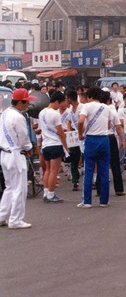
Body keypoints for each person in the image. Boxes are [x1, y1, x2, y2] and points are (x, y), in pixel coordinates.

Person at [0, 89, 36, 229]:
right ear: (20, 102)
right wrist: (28, 149)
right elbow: (23, 137)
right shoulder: (18, 117)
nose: (28, 104)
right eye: (27, 102)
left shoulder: (4, 114)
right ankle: (15, 220)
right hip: (15, 153)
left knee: (9, 187)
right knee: (19, 189)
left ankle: (2, 215)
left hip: (4, 153)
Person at [77, 86, 117, 208]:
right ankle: (104, 201)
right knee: (104, 171)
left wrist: (80, 134)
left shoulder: (87, 106)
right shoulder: (107, 107)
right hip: (104, 139)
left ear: (89, 96)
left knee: (89, 170)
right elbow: (109, 123)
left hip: (91, 139)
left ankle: (87, 201)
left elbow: (80, 121)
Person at [39, 91, 69, 203]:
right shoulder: (55, 114)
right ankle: (51, 195)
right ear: (57, 102)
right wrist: (66, 148)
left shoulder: (42, 112)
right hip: (55, 144)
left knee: (47, 170)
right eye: (61, 103)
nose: (61, 106)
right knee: (53, 171)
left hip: (45, 144)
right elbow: (61, 133)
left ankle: (46, 193)